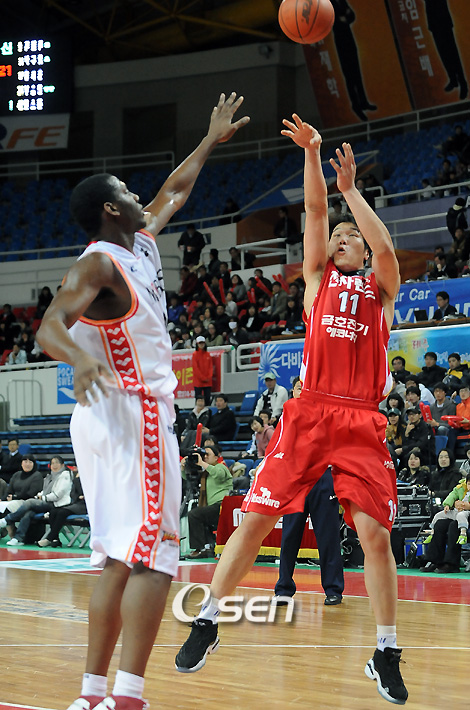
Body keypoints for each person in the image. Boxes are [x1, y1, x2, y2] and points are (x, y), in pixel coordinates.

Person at [175, 115, 408, 704]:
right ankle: (208, 620)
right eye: (337, 236)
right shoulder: (316, 281)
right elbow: (314, 210)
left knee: (376, 536)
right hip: (310, 412)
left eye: (350, 236)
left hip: (360, 418)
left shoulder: (381, 290)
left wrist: (351, 190)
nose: (341, 239)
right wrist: (312, 153)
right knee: (255, 518)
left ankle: (385, 651)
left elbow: (384, 246)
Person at [34, 92, 249, 710]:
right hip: (132, 409)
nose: (140, 197)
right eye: (127, 192)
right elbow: (49, 326)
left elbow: (173, 192)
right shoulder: (99, 265)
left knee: (117, 559)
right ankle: (128, 696)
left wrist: (208, 140)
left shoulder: (140, 241)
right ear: (110, 208)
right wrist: (79, 360)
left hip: (105, 417)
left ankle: (91, 695)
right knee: (157, 557)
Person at [272, 377, 344, 606]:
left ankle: (333, 589)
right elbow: (279, 447)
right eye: (298, 387)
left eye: (306, 387)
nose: (302, 391)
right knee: (289, 536)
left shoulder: (327, 413)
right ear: (292, 391)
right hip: (295, 479)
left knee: (328, 536)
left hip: (323, 477)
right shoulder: (286, 416)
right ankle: (283, 589)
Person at [0, 456, 73, 546]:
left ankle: (7, 519)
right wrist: (39, 495)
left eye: (56, 463)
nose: (54, 465)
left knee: (30, 502)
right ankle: (18, 539)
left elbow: (58, 495)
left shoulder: (65, 476)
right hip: (47, 502)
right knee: (28, 513)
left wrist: (43, 498)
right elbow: (44, 491)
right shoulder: (50, 476)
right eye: (52, 463)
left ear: (62, 465)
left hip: (57, 504)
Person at [181, 445, 233, 559]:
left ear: (216, 457)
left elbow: (219, 475)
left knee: (195, 514)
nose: (205, 457)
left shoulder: (221, 466)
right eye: (203, 455)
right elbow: (190, 478)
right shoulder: (205, 473)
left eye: (207, 454)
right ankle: (208, 547)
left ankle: (200, 548)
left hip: (223, 505)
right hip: (212, 506)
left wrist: (202, 463)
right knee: (200, 515)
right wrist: (183, 467)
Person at [38, 470, 88, 547]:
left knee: (62, 512)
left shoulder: (92, 481)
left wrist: (84, 496)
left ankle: (49, 538)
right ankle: (55, 539)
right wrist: (78, 495)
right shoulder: (76, 481)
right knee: (53, 511)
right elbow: (73, 493)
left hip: (86, 506)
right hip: (76, 503)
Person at [423, 473, 470, 549]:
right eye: (469, 484)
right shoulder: (461, 488)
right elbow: (452, 495)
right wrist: (448, 504)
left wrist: (466, 506)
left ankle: (463, 534)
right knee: (439, 517)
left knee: (456, 522)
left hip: (465, 513)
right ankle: (432, 533)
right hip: (456, 511)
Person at [192, 336, 213, 406]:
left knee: (207, 398)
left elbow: (210, 367)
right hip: (198, 381)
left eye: (203, 343)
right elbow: (195, 368)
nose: (201, 345)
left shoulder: (208, 354)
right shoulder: (195, 354)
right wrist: (203, 378)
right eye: (200, 343)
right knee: (198, 399)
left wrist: (209, 377)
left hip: (207, 381)